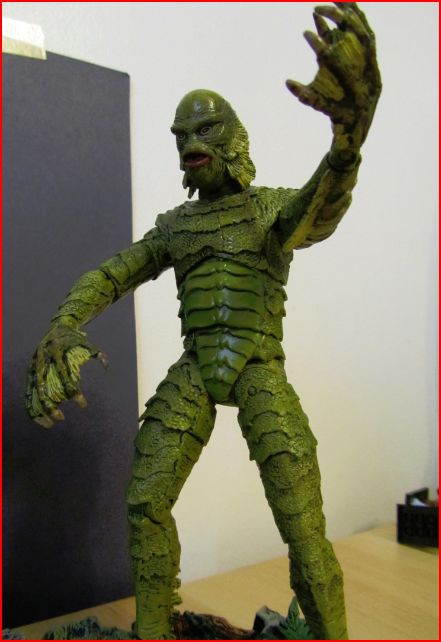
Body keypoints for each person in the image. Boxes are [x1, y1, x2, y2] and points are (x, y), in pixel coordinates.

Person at [26, 3, 381, 639]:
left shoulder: (268, 210)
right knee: (144, 500)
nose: (191, 145)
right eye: (182, 136)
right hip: (195, 370)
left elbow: (318, 212)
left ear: (233, 138)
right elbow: (115, 272)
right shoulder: (176, 226)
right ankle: (154, 630)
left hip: (258, 367)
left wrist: (346, 145)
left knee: (302, 523)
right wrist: (65, 322)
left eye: (205, 131)